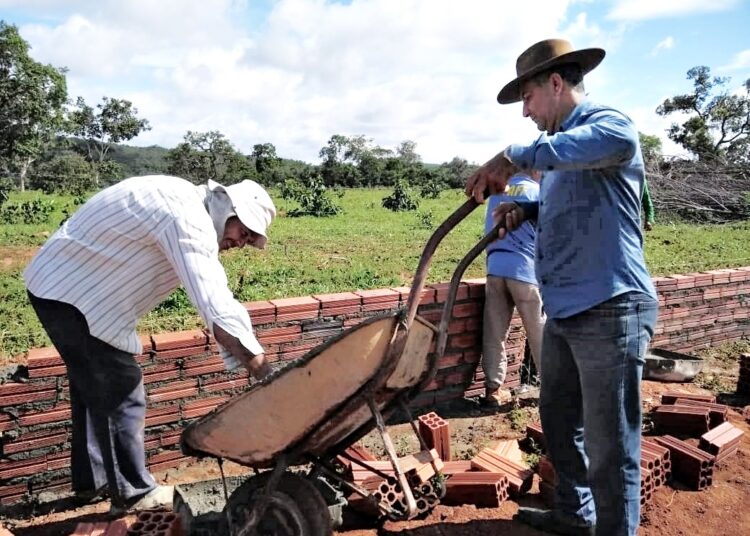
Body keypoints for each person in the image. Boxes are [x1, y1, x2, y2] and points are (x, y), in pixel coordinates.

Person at [465, 39, 658, 536]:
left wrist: (512, 157)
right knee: (558, 418)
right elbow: (570, 207)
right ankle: (576, 515)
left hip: (612, 307)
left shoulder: (607, 125)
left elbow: (612, 148)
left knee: (611, 444)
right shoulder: (556, 157)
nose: (525, 111)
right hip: (567, 309)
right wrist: (528, 209)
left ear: (555, 84)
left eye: (527, 98)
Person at [24, 175, 276, 516]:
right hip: (71, 294)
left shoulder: (182, 199)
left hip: (61, 286)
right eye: (242, 232)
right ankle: (132, 494)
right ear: (226, 207)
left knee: (92, 388)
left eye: (249, 239)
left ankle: (93, 483)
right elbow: (214, 302)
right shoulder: (188, 217)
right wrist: (263, 370)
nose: (240, 243)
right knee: (120, 387)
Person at [482, 170, 545, 406]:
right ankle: (551, 389)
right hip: (525, 271)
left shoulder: (498, 192)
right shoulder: (537, 192)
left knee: (494, 331)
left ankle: (493, 390)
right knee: (538, 331)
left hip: (495, 267)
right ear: (535, 170)